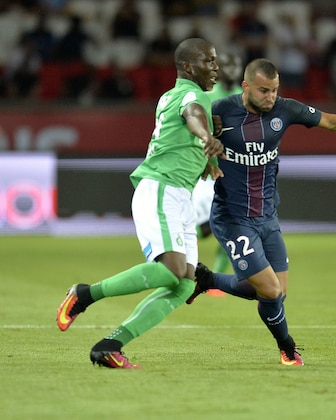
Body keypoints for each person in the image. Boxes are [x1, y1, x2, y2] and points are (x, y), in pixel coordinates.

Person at [186, 58, 336, 366]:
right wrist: (204, 151)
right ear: (246, 86)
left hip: (267, 216)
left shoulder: (284, 110)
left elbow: (329, 121)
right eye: (263, 90)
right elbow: (187, 131)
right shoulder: (220, 111)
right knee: (271, 290)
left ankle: (207, 280)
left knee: (276, 292)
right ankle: (287, 348)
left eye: (274, 90)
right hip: (232, 218)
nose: (270, 97)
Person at [55, 38, 224, 368]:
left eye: (216, 62)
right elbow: (191, 116)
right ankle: (85, 294)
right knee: (173, 270)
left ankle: (110, 345)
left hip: (179, 196)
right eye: (209, 61)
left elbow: (175, 137)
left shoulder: (170, 96)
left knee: (184, 283)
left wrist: (206, 161)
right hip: (162, 190)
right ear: (188, 67)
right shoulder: (192, 96)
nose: (215, 68)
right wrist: (207, 137)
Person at [192, 52, 243, 278]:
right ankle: (179, 265)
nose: (231, 70)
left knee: (232, 224)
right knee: (203, 228)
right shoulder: (208, 96)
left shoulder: (245, 96)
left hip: (234, 170)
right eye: (227, 65)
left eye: (235, 65)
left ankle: (217, 277)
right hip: (209, 168)